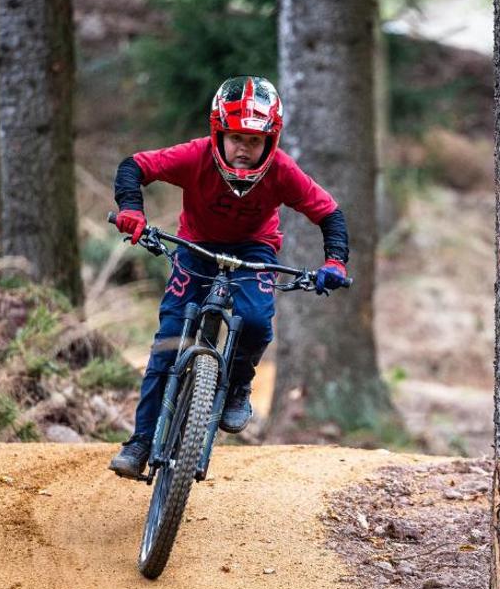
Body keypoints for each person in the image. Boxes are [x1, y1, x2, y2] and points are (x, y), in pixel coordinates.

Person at [107, 76, 350, 478]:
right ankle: (140, 442)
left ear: (270, 141)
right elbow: (135, 166)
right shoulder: (195, 156)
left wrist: (335, 263)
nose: (243, 148)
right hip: (196, 246)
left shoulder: (281, 170)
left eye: (254, 141)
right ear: (218, 132)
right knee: (169, 342)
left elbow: (329, 213)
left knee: (255, 321)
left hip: (255, 249)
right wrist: (131, 208)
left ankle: (237, 384)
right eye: (235, 137)